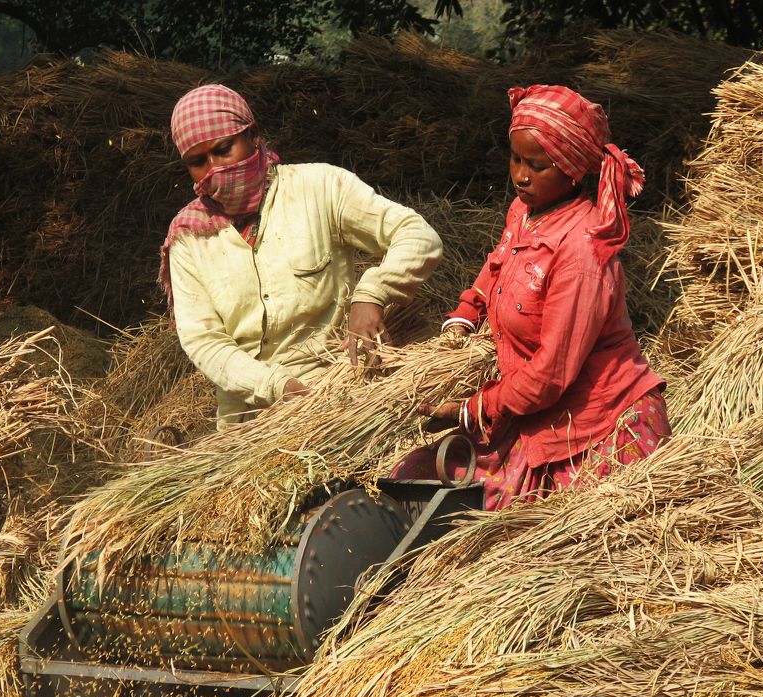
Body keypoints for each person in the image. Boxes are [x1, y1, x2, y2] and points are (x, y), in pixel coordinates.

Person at [392, 84, 671, 511]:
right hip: (531, 408)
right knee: (413, 476)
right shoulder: (524, 211)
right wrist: (469, 309)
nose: (520, 175)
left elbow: (550, 375)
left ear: (572, 169)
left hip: (595, 428)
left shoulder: (582, 252)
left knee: (526, 532)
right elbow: (500, 262)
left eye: (536, 166)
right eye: (515, 159)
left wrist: (475, 408)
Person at [160, 84, 442, 426]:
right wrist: (278, 386)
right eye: (197, 162)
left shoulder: (320, 189)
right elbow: (205, 343)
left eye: (223, 150)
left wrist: (373, 293)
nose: (214, 169)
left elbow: (417, 235)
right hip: (248, 425)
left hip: (341, 399)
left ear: (253, 135)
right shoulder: (189, 237)